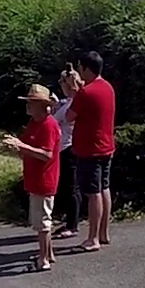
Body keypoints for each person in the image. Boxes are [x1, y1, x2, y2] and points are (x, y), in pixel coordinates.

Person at [2, 85, 62, 271]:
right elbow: (29, 148)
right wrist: (18, 147)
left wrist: (21, 145)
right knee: (41, 219)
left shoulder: (49, 125)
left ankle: (43, 260)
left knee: (43, 222)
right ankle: (48, 254)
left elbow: (46, 154)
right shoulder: (34, 123)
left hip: (44, 179)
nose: (27, 105)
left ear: (43, 105)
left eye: (32, 102)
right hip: (34, 178)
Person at [65, 50, 116, 251]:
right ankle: (103, 233)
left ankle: (93, 238)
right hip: (106, 145)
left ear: (86, 68)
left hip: (90, 149)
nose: (79, 71)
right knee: (104, 188)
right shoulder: (108, 87)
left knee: (92, 193)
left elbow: (69, 116)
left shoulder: (86, 92)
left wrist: (74, 89)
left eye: (80, 68)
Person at [50, 70, 83, 239]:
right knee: (68, 186)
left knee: (72, 187)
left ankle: (72, 225)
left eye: (62, 83)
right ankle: (70, 221)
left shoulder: (72, 104)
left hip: (68, 147)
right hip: (63, 146)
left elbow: (55, 121)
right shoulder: (68, 102)